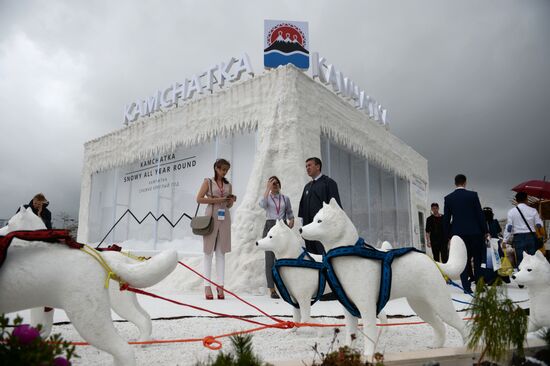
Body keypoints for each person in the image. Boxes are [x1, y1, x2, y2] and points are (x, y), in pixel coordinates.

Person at [196, 159, 236, 300]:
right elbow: (199, 199)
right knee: (208, 252)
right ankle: (207, 286)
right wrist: (216, 200)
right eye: (222, 169)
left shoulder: (228, 185)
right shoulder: (208, 181)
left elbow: (228, 206)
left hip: (224, 218)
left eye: (226, 170)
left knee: (221, 252)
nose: (224, 172)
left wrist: (230, 201)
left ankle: (220, 286)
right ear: (216, 168)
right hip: (211, 218)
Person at [443, 174, 488, 294]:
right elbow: (479, 214)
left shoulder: (448, 198)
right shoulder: (473, 195)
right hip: (475, 232)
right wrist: (485, 230)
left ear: (455, 183)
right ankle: (479, 285)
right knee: (478, 259)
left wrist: (448, 235)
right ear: (465, 182)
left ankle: (466, 288)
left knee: (463, 260)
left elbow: (446, 219)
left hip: (458, 235)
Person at [259, 176, 295, 299]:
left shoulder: (285, 198)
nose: (275, 185)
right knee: (270, 259)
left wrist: (292, 219)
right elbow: (262, 205)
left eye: (276, 182)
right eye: (272, 183)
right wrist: (267, 189)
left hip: (282, 226)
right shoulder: (267, 198)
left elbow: (289, 211)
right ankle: (272, 289)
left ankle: (284, 286)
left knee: (284, 257)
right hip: (270, 225)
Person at [298, 157, 341, 255]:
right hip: (309, 230)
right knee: (312, 257)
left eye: (309, 165)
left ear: (318, 166)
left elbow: (336, 207)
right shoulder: (307, 187)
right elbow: (302, 209)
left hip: (322, 230)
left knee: (324, 256)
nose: (307, 168)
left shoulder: (328, 183)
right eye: (306, 166)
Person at [503, 191, 543, 267]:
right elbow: (539, 225)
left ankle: (522, 277)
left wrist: (505, 240)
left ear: (516, 200)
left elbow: (509, 228)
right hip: (531, 237)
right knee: (533, 259)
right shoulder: (533, 210)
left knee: (521, 260)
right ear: (526, 199)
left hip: (518, 238)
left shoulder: (511, 212)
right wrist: (539, 220)